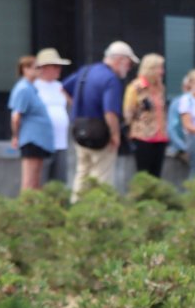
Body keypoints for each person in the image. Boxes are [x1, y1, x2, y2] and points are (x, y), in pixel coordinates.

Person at [63, 40, 137, 201]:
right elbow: (110, 112)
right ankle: (99, 212)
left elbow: (63, 87)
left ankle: (76, 209)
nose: (129, 68)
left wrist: (76, 105)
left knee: (82, 173)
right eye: (129, 64)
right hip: (100, 133)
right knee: (102, 176)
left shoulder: (86, 71)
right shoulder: (111, 79)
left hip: (79, 130)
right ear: (120, 60)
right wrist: (115, 135)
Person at [8, 55, 54, 192]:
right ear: (25, 69)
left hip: (38, 140)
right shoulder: (23, 89)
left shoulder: (31, 88)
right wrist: (15, 136)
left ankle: (34, 209)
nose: (40, 70)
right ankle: (25, 210)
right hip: (31, 140)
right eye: (36, 67)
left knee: (36, 180)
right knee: (29, 181)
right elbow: (16, 116)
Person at [123, 53, 169, 178]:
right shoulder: (135, 87)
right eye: (160, 68)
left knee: (157, 175)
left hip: (160, 137)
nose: (162, 72)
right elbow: (128, 113)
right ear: (151, 69)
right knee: (144, 174)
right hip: (142, 137)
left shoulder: (160, 88)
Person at [33, 48, 72, 185]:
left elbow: (70, 104)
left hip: (61, 141)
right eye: (55, 66)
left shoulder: (59, 86)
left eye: (59, 66)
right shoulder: (34, 87)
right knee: (42, 179)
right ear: (43, 67)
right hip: (42, 142)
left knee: (60, 180)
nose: (59, 69)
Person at [167, 74, 191, 164]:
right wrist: (184, 147)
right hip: (181, 148)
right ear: (183, 87)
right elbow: (171, 129)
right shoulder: (177, 103)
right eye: (188, 88)